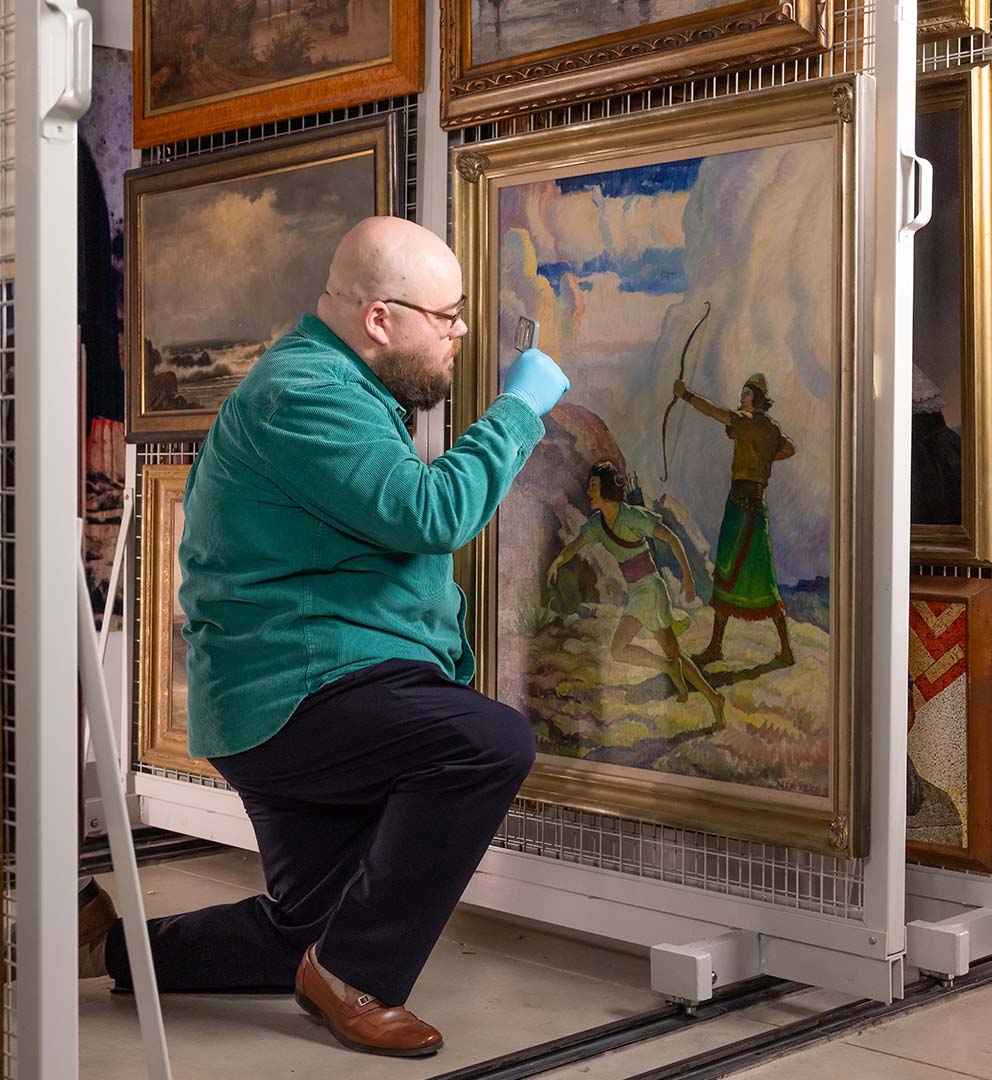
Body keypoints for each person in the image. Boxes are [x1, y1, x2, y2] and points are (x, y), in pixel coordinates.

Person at [76, 216, 569, 1057]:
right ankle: (353, 980)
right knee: (488, 742)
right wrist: (520, 409)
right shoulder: (304, 393)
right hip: (300, 693)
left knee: (306, 930)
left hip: (290, 692)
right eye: (445, 316)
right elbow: (431, 513)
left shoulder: (344, 388)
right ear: (382, 318)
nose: (459, 335)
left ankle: (104, 944)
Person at [546, 461, 725, 724]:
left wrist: (688, 577)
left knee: (621, 649)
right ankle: (710, 696)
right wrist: (558, 561)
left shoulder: (632, 516)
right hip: (638, 592)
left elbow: (672, 539)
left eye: (594, 486)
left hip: (651, 590)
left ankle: (680, 675)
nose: (588, 491)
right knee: (672, 654)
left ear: (606, 488)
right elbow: (575, 546)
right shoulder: (597, 524)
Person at [671, 373, 796, 667]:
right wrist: (763, 458)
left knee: (726, 570)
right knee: (762, 576)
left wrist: (686, 395)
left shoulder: (744, 420)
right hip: (757, 507)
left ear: (756, 399)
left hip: (739, 506)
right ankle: (785, 650)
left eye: (746, 394)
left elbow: (714, 412)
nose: (742, 398)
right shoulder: (772, 429)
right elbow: (789, 448)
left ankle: (716, 646)